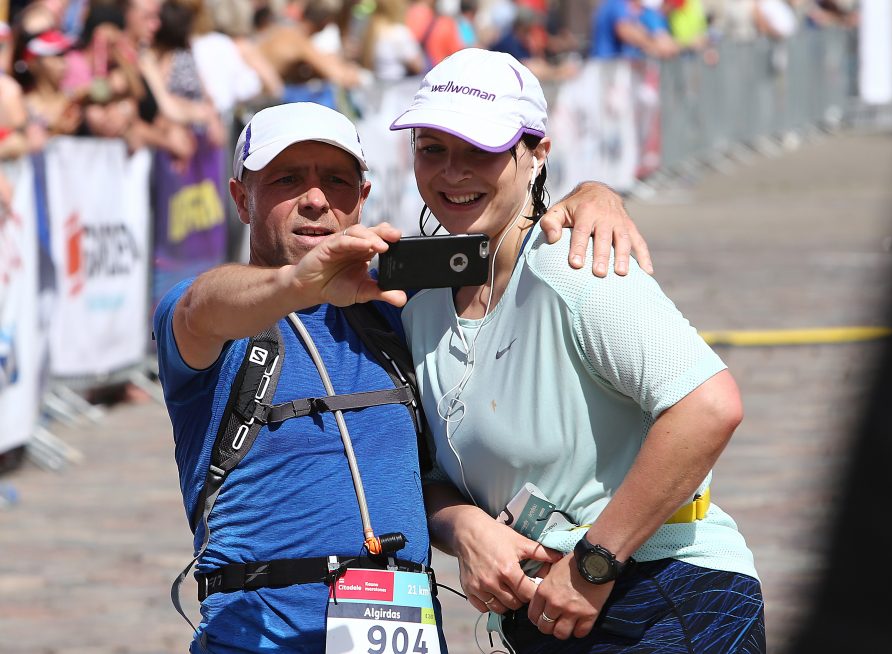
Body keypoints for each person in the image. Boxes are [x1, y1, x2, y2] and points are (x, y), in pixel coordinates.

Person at [153, 99, 652, 652]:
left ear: (362, 199)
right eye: (287, 179)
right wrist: (298, 284)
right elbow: (203, 307)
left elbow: (508, 232)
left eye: (337, 181)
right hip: (260, 634)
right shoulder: (213, 315)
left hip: (403, 626)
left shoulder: (400, 306)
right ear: (241, 198)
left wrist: (593, 196)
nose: (316, 199)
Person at [388, 48, 764, 652]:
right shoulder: (424, 304)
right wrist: (464, 530)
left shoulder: (577, 264)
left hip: (661, 594)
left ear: (536, 155)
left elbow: (708, 406)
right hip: (548, 611)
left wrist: (594, 564)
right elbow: (422, 470)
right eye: (433, 149)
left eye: (480, 150)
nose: (453, 171)